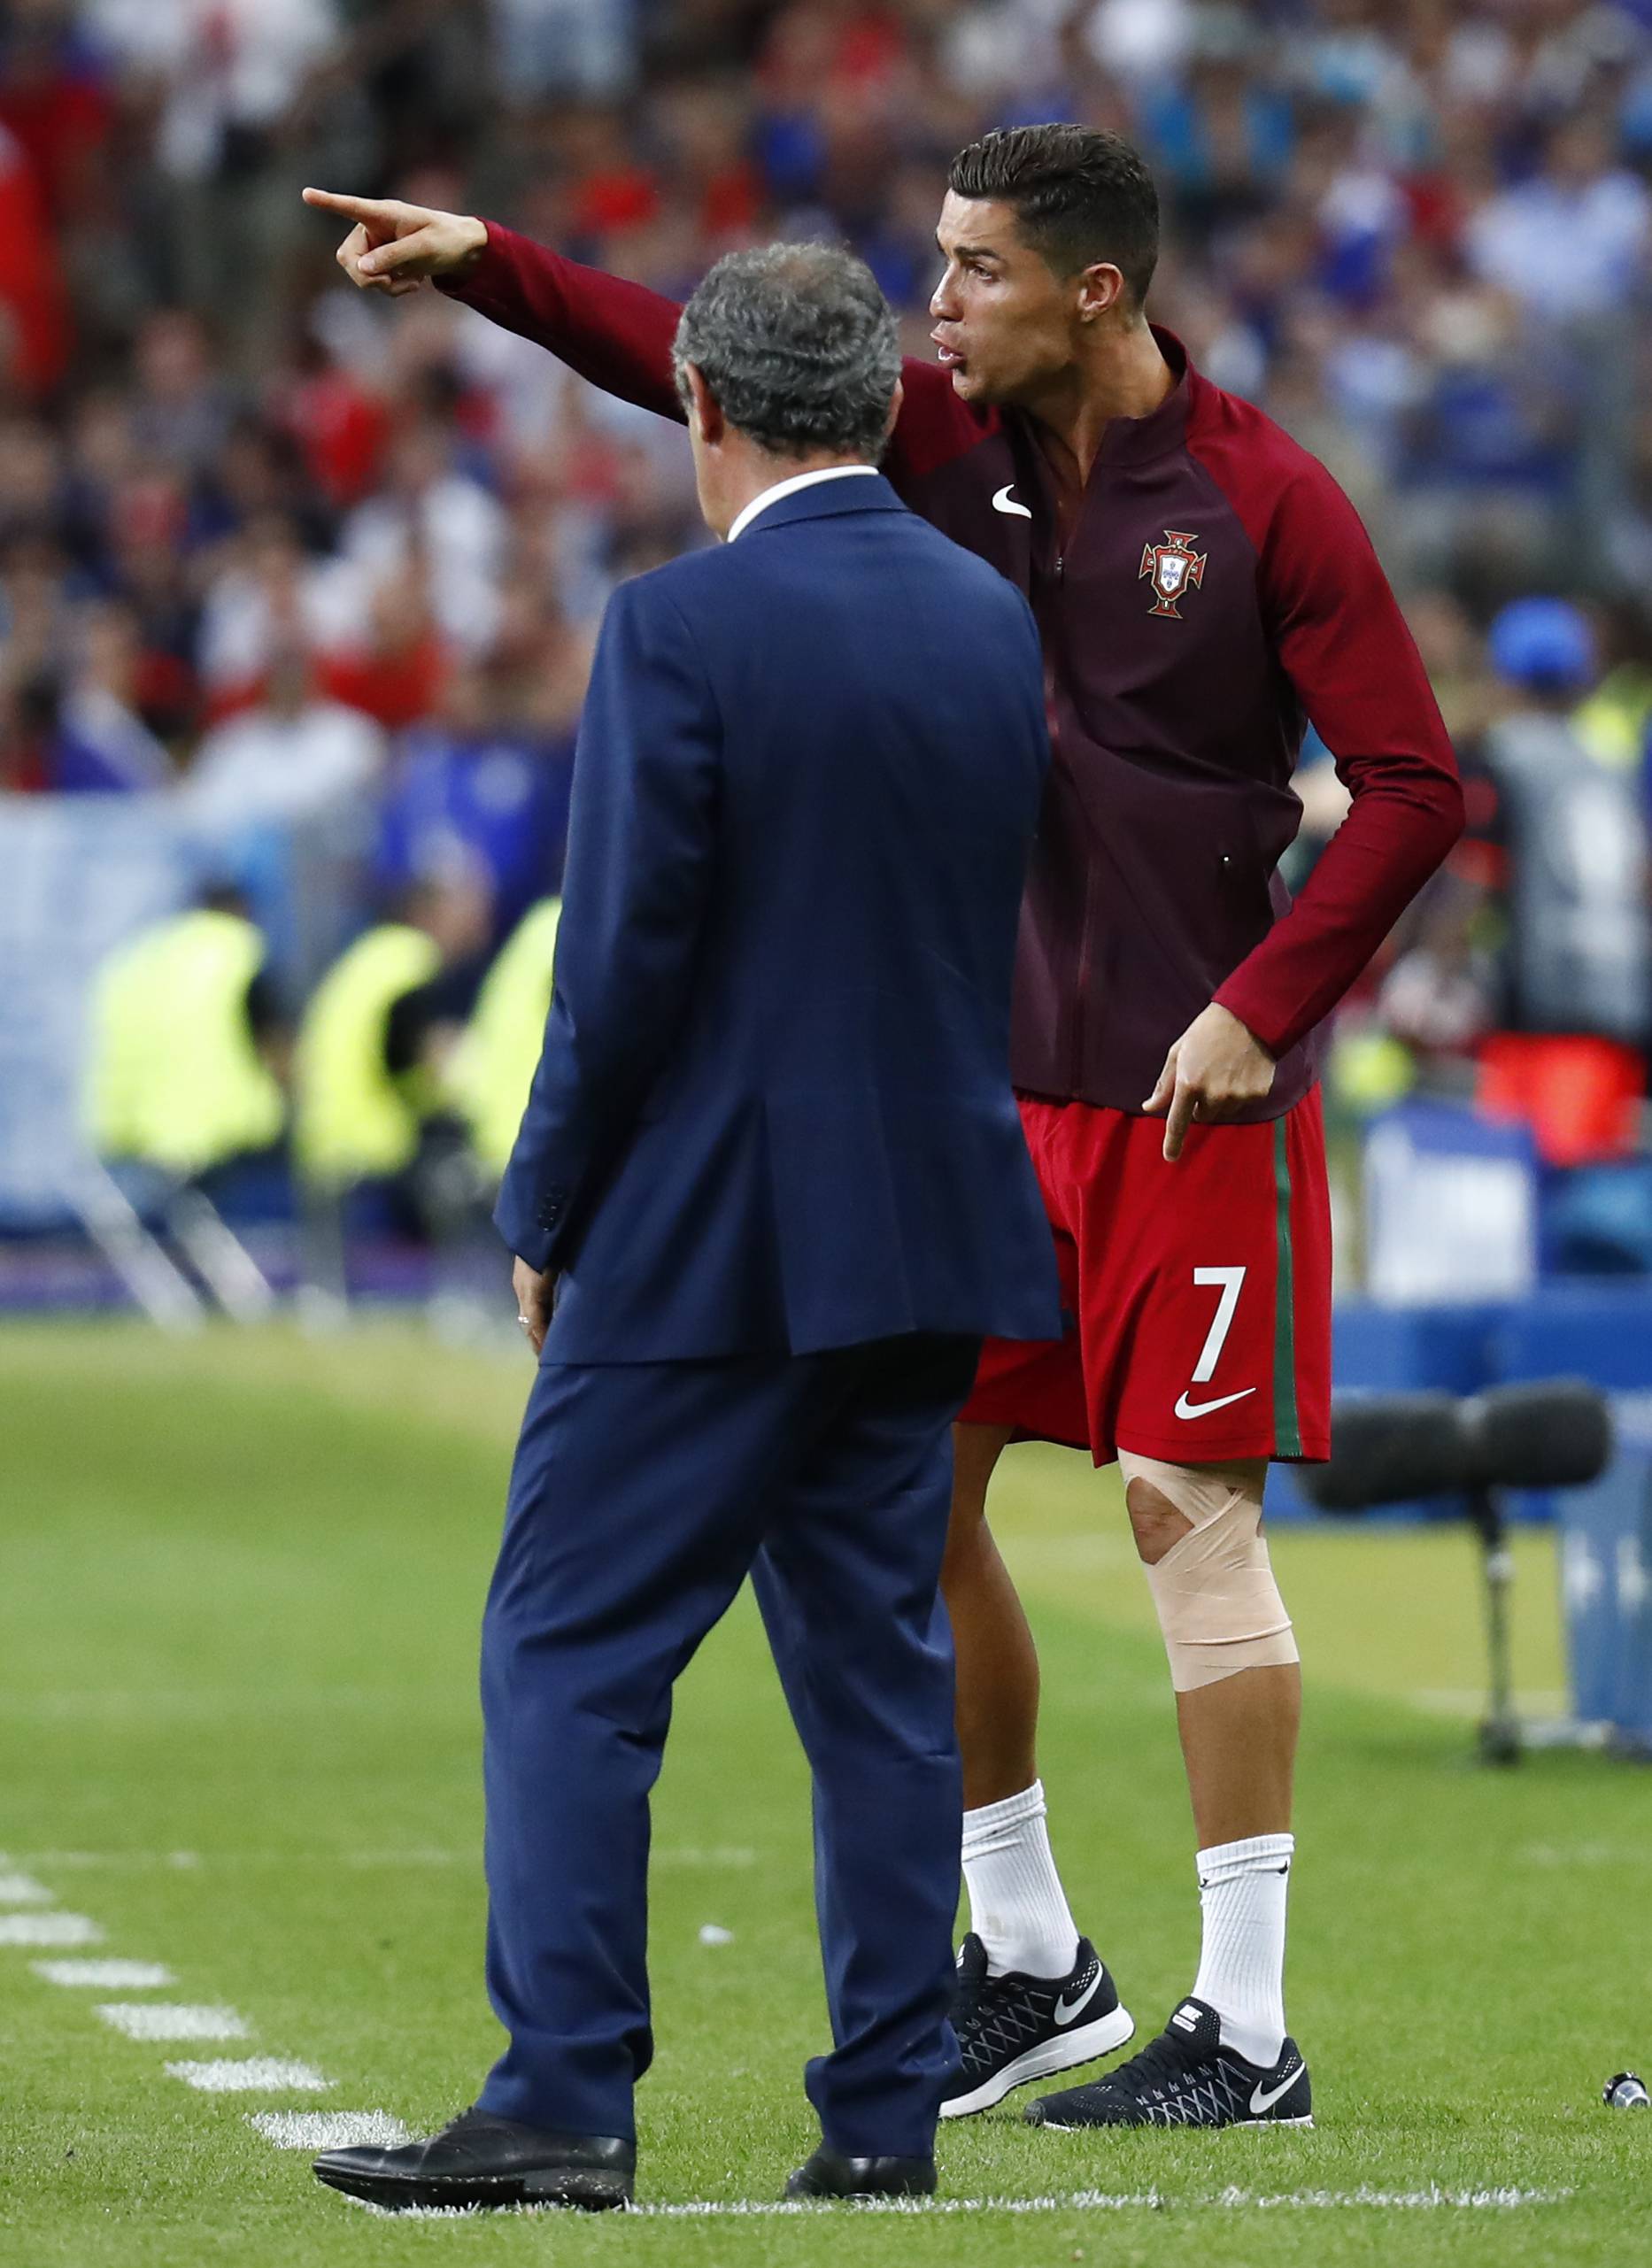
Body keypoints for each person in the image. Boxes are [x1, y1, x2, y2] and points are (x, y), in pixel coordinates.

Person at [305, 119, 1463, 2133]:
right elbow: (712, 359)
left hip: (1199, 1088)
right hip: (1004, 1081)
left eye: (975, 270)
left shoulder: (1272, 500)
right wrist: (492, 261)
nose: (937, 307)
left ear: (1093, 292)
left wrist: (1262, 1008)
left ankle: (1248, 2027)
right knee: (914, 1503)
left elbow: (1416, 788)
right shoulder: (950, 438)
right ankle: (1025, 1953)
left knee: (1182, 1512)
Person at [311, 241, 1061, 2214]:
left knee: (568, 1649)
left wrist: (543, 1198)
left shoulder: (677, 629)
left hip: (712, 1233)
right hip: (927, 1229)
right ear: (890, 405)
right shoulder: (994, 626)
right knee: (878, 1679)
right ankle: (887, 2119)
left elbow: (620, 965)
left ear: (705, 412)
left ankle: (562, 2093)